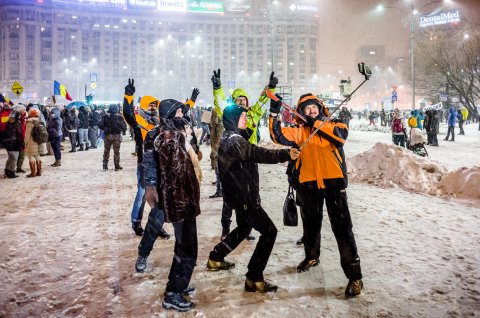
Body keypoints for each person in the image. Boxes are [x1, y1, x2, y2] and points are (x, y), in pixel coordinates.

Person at [269, 93, 363, 297]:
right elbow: (277, 135)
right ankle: (312, 256)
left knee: (343, 230)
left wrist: (318, 122)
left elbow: (340, 136)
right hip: (308, 185)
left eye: (314, 108)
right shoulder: (299, 131)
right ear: (301, 112)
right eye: (306, 109)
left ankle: (355, 276)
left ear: (320, 108)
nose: (310, 112)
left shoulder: (334, 123)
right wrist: (274, 113)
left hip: (333, 185)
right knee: (310, 226)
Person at [206, 103, 300, 293]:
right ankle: (254, 277)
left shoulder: (231, 138)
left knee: (243, 228)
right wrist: (286, 154)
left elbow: (248, 145)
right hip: (244, 198)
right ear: (233, 119)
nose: (246, 120)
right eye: (242, 117)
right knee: (270, 232)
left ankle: (216, 257)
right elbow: (258, 153)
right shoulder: (234, 142)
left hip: (238, 196)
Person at [139, 99, 201, 312]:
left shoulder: (177, 135)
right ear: (169, 116)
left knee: (184, 247)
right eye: (179, 112)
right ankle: (173, 292)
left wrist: (192, 140)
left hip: (182, 200)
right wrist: (151, 187)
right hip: (179, 201)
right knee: (188, 248)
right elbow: (174, 173)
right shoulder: (168, 139)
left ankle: (179, 284)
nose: (183, 114)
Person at [209, 69, 278, 241]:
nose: (241, 103)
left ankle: (247, 227)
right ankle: (226, 227)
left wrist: (271, 88)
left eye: (244, 100)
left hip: (249, 159)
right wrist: (217, 87)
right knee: (230, 197)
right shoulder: (231, 113)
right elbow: (219, 103)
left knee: (252, 196)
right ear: (233, 102)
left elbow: (263, 100)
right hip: (233, 161)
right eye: (238, 100)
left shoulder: (252, 114)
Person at [122, 78, 173, 238]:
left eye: (155, 105)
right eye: (150, 105)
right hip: (144, 164)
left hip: (159, 165)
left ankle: (157, 225)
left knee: (158, 196)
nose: (153, 108)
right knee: (143, 194)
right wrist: (128, 97)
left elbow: (179, 111)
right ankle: (136, 222)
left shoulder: (159, 122)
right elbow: (128, 113)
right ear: (144, 105)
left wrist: (191, 101)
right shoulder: (139, 121)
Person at [100, 104, 126, 171]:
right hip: (116, 135)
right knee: (116, 151)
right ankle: (117, 166)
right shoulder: (120, 117)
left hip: (107, 135)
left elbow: (100, 125)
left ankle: (105, 166)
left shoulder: (105, 116)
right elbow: (124, 126)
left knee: (106, 151)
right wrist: (123, 131)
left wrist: (105, 128)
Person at [3, 110, 24, 178]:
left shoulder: (8, 122)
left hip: (7, 143)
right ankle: (12, 172)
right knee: (14, 159)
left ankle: (7, 170)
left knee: (10, 158)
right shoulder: (17, 123)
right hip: (15, 143)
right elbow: (19, 133)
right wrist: (22, 143)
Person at [24, 108, 43, 177]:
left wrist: (25, 142)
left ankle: (33, 173)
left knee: (30, 155)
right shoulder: (39, 120)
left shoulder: (29, 122)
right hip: (38, 140)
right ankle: (39, 172)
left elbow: (27, 134)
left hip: (31, 141)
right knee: (37, 155)